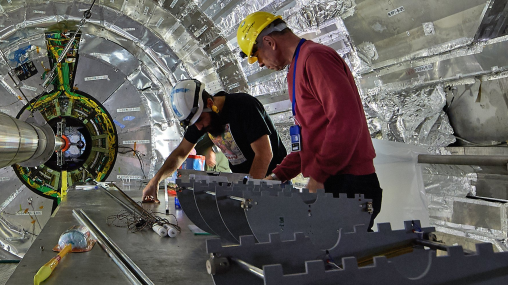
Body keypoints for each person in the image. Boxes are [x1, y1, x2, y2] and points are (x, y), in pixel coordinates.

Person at [236, 11, 382, 209]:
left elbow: (346, 121)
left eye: (257, 55)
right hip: (332, 180)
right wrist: (278, 176)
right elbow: (308, 138)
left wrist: (319, 175)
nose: (260, 63)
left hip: (349, 183)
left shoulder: (316, 58)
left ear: (269, 42)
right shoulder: (296, 68)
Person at [140, 78, 286, 203]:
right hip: (247, 185)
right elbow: (181, 152)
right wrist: (155, 180)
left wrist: (248, 194)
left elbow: (264, 154)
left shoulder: (244, 106)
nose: (199, 127)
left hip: (274, 183)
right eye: (194, 124)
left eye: (200, 120)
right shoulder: (199, 119)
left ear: (210, 103)